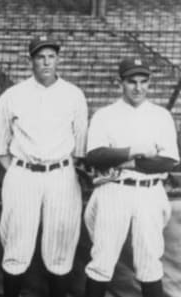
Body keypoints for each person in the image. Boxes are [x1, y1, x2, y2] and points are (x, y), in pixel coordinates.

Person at [0, 35, 88, 297]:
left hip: (61, 174)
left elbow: (80, 147)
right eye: (40, 56)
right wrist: (17, 170)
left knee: (60, 249)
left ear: (58, 58)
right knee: (16, 247)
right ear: (31, 60)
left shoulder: (74, 95)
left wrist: (64, 166)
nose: (46, 61)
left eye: (51, 56)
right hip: (23, 173)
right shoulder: (12, 95)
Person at [83, 58, 179, 297]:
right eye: (131, 82)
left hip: (150, 191)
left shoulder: (161, 115)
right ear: (120, 83)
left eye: (143, 82)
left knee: (150, 263)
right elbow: (95, 156)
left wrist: (126, 161)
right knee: (102, 261)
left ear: (149, 83)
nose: (138, 88)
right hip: (115, 189)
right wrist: (135, 149)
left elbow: (169, 161)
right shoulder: (105, 115)